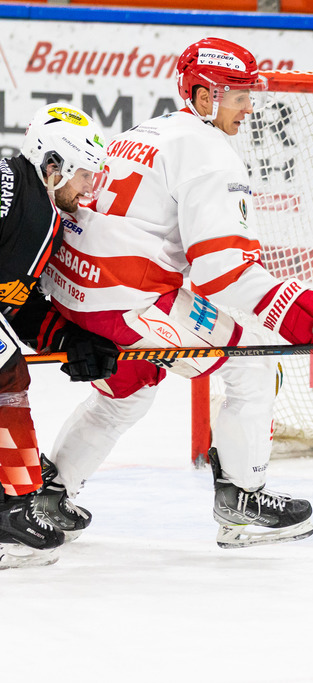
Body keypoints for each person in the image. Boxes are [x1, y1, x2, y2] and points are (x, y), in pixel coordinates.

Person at [38, 38, 313, 549]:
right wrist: (291, 305)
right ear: (203, 97)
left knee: (127, 391)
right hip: (126, 294)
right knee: (252, 361)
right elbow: (222, 271)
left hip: (73, 285)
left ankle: (48, 492)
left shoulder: (144, 131)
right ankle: (243, 499)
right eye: (237, 95)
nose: (249, 107)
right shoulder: (209, 153)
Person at [1, 103, 117, 569]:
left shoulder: (37, 203)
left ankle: (14, 501)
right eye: (84, 174)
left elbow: (18, 302)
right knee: (8, 376)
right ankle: (11, 511)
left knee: (9, 373)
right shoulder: (15, 190)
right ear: (54, 165)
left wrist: (69, 339)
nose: (90, 186)